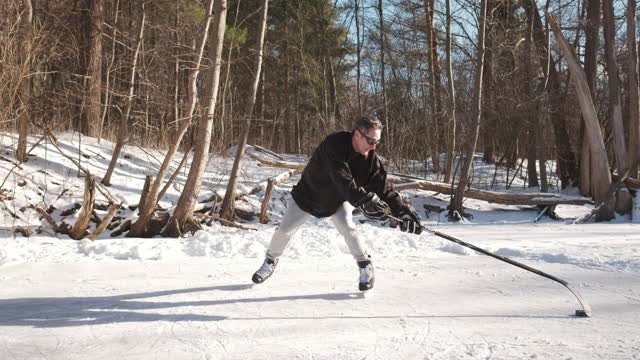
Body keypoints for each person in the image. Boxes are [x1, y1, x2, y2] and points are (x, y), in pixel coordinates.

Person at [251, 115, 422, 291]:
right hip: (308, 195)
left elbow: (383, 188)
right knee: (284, 230)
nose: (373, 147)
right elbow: (341, 177)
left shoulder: (371, 161)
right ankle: (270, 261)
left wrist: (402, 211)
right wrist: (364, 199)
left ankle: (365, 264)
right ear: (357, 134)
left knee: (348, 227)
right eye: (370, 140)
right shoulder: (334, 144)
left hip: (338, 200)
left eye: (377, 142)